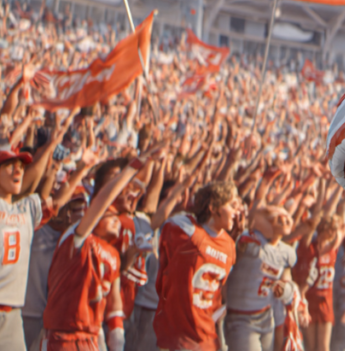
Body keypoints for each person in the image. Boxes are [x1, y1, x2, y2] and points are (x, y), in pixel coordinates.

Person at [42, 145, 163, 351]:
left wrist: (116, 342)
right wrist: (133, 166)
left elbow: (114, 305)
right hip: (63, 336)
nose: (116, 221)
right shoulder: (79, 237)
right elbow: (104, 199)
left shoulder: (114, 254)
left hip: (90, 336)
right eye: (110, 216)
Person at [154, 180, 242, 351]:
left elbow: (221, 292)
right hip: (179, 330)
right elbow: (158, 226)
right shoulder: (185, 229)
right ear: (214, 207)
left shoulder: (230, 245)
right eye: (231, 205)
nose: (236, 212)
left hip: (206, 334)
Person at [0, 140, 54, 351]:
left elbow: (39, 185)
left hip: (13, 315)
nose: (18, 171)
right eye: (9, 165)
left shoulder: (24, 208)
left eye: (21, 167)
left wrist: (53, 144)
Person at [22, 186, 89, 349]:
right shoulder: (33, 230)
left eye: (73, 210)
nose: (66, 215)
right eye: (64, 208)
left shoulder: (80, 242)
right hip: (29, 315)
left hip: (59, 323)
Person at [224, 206, 297, 351]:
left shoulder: (287, 252)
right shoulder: (251, 242)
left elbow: (287, 281)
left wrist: (285, 290)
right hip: (241, 318)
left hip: (265, 316)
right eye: (279, 217)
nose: (285, 220)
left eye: (287, 216)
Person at [297, 214, 343, 351]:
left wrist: (335, 222)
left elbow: (342, 231)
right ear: (322, 229)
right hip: (310, 300)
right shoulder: (311, 248)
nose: (333, 233)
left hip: (325, 302)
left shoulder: (333, 248)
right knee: (311, 347)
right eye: (331, 230)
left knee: (323, 347)